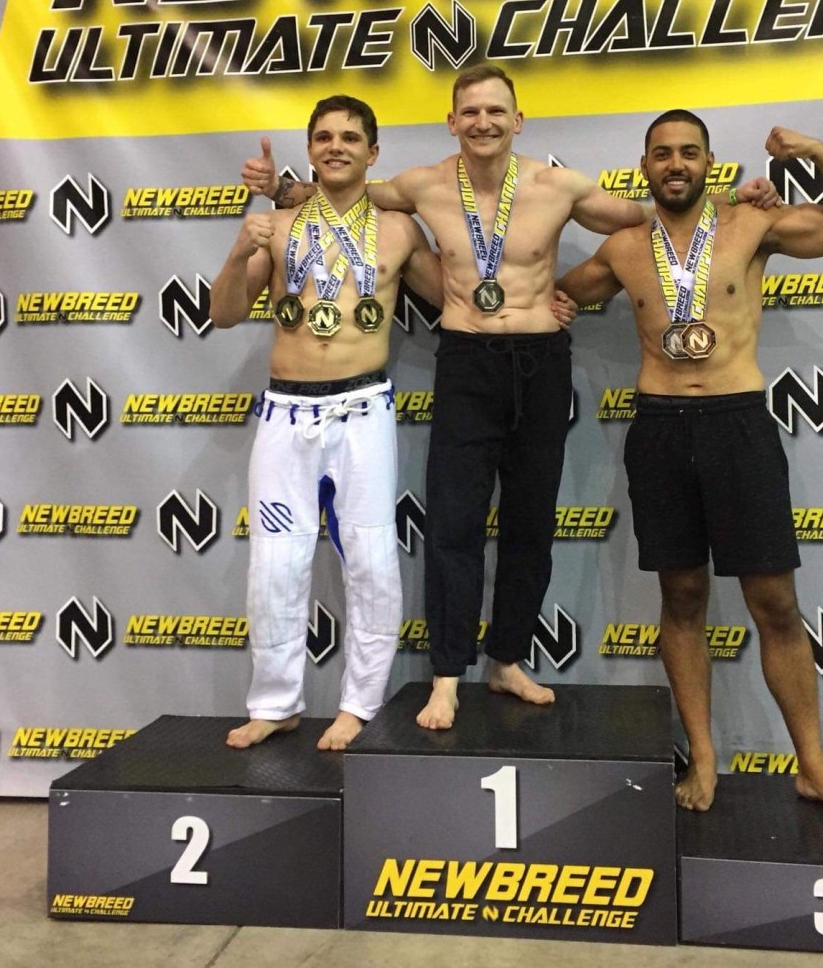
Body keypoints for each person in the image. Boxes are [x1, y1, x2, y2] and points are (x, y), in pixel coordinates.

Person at [242, 68, 777, 731]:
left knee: (530, 523)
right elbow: (346, 192)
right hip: (467, 363)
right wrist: (283, 188)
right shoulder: (424, 186)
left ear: (519, 120)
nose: (484, 121)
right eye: (470, 111)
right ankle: (446, 676)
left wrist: (731, 203)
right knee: (454, 525)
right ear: (452, 121)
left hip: (541, 363)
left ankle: (509, 658)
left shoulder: (558, 186)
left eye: (496, 110)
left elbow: (655, 211)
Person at [557, 111, 823, 822]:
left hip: (739, 425)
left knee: (775, 605)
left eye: (690, 153)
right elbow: (557, 294)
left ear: (709, 163)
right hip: (661, 430)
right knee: (681, 601)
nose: (676, 163)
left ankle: (814, 768)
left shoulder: (751, 226)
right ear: (643, 165)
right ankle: (703, 757)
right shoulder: (621, 248)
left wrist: (818, 150)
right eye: (663, 153)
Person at [211, 94, 442, 751]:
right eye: (323, 137)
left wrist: (537, 302)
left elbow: (456, 299)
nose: (335, 145)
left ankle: (360, 704)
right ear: (310, 150)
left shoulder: (398, 230)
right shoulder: (279, 224)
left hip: (363, 408)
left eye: (349, 137)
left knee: (370, 561)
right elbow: (224, 313)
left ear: (374, 152)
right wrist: (238, 250)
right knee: (276, 565)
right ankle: (277, 703)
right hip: (286, 411)